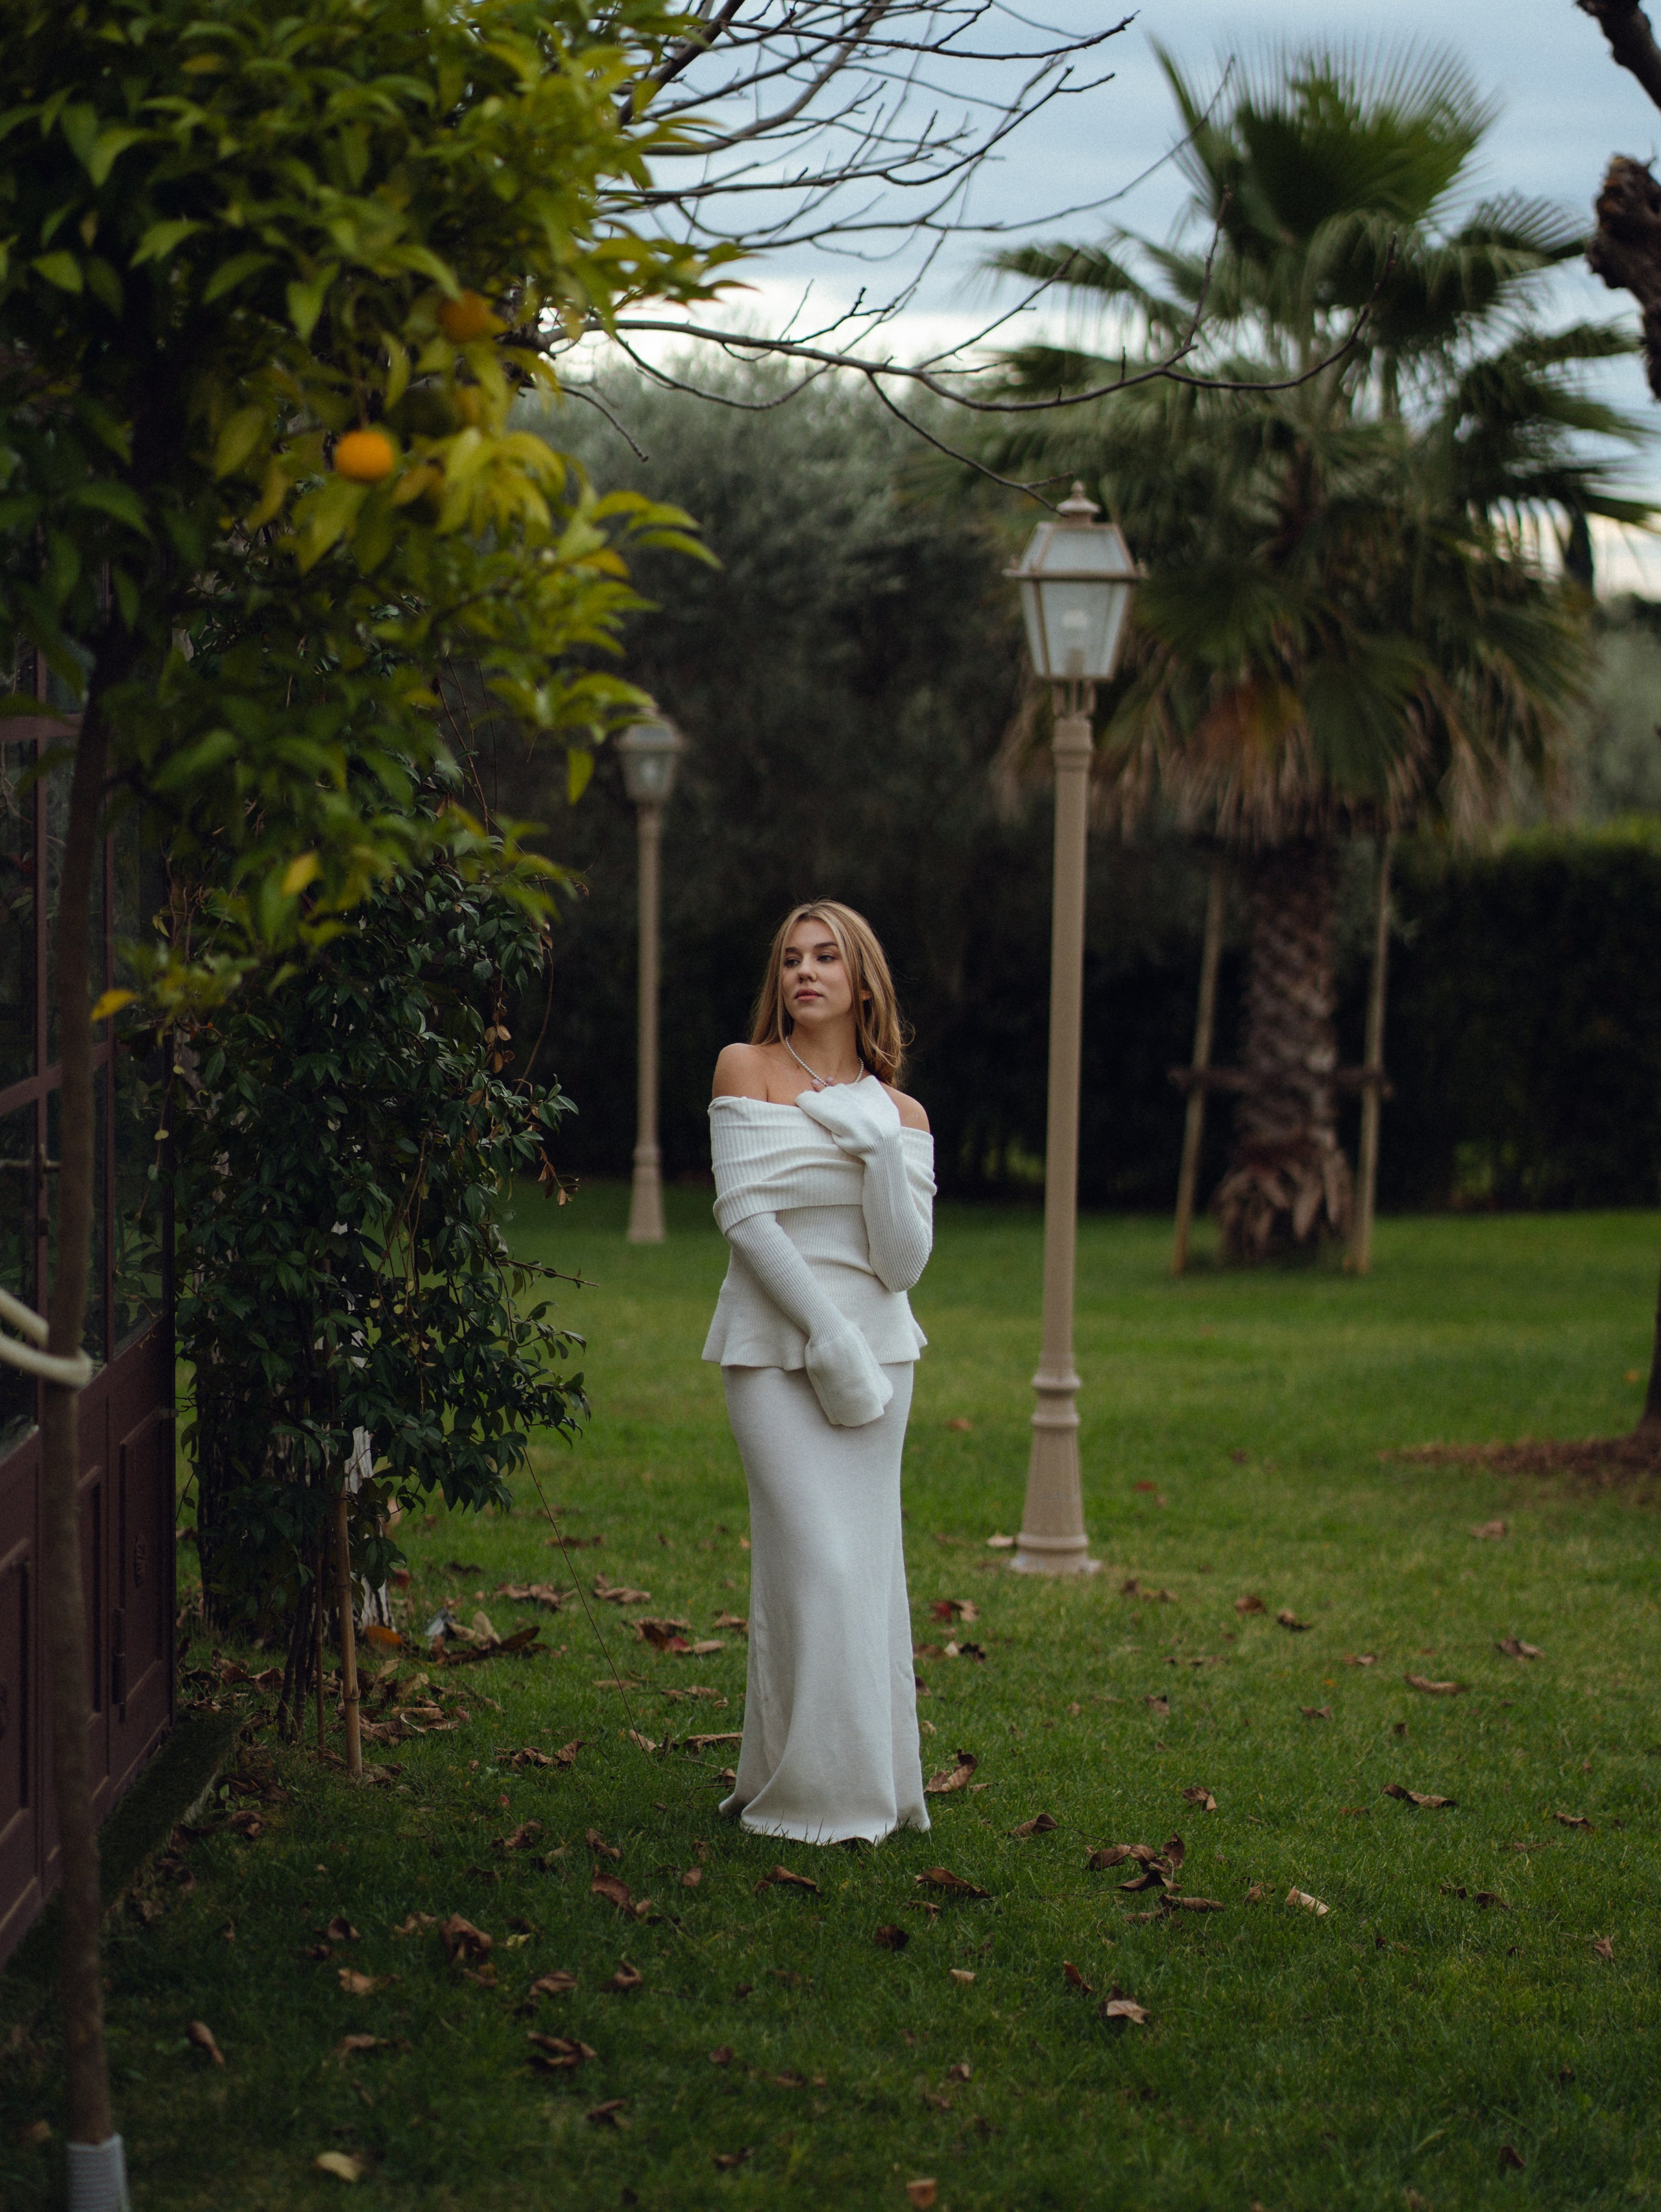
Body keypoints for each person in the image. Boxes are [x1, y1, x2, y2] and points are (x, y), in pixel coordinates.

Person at [703, 900, 936, 1845]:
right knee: (815, 1566)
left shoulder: (901, 1113)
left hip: (882, 1361)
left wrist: (878, 1149)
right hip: (772, 1348)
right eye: (792, 958)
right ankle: (808, 1795)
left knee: (861, 1571)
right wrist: (826, 1334)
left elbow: (903, 1262)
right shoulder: (746, 1068)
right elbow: (744, 1213)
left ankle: (855, 1784)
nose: (805, 971)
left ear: (862, 981)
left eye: (826, 956)